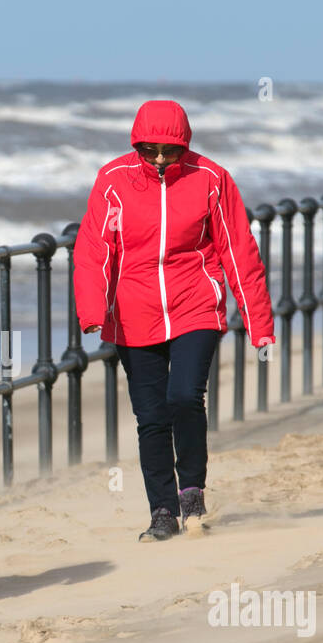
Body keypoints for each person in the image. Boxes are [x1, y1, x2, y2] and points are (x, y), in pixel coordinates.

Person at [73, 100, 275, 542]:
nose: (161, 159)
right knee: (151, 416)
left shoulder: (211, 179)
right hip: (133, 312)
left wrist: (259, 323)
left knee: (185, 396)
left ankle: (192, 491)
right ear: (136, 144)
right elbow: (94, 248)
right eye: (150, 151)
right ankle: (161, 511)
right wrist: (92, 310)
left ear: (185, 143)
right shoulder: (112, 181)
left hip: (195, 305)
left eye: (170, 150)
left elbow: (238, 252)